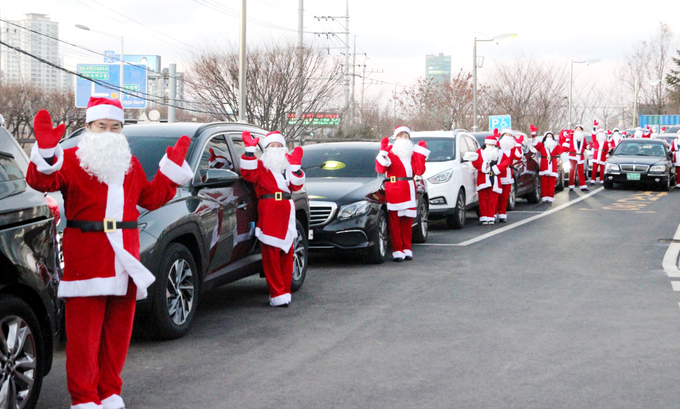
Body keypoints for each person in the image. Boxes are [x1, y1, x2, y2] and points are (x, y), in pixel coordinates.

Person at [26, 97, 193, 409]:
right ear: (89, 127)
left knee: (118, 333)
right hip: (88, 255)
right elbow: (42, 181)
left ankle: (110, 391)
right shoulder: (73, 158)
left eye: (115, 127)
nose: (109, 132)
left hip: (125, 257)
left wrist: (170, 173)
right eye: (102, 126)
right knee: (84, 336)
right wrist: (47, 154)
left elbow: (152, 197)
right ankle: (85, 397)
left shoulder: (128, 164)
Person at [239, 130, 304, 307]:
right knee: (271, 256)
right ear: (266, 149)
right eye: (271, 146)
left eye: (279, 146)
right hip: (269, 212)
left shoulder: (287, 167)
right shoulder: (260, 166)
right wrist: (249, 151)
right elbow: (247, 173)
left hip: (287, 212)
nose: (275, 149)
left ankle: (285, 291)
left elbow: (296, 186)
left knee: (287, 254)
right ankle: (277, 293)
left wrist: (296, 167)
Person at [376, 126, 429, 261]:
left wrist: (421, 155)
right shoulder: (390, 152)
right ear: (396, 138)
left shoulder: (412, 154)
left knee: (407, 221)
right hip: (394, 189)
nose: (403, 138)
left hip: (409, 189)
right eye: (401, 136)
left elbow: (419, 171)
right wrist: (382, 152)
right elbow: (381, 169)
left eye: (406, 136)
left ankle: (407, 248)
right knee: (395, 222)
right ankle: (397, 250)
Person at [463, 134, 507, 224]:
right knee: (483, 199)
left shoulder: (500, 153)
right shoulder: (479, 152)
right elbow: (474, 162)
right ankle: (484, 217)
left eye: (492, 145)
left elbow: (506, 162)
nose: (490, 147)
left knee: (493, 199)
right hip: (483, 179)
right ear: (486, 144)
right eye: (489, 145)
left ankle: (491, 216)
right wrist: (484, 167)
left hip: (494, 178)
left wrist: (497, 168)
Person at [531, 130, 567, 203]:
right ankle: (544, 197)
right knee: (544, 183)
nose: (549, 137)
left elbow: (564, 149)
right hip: (544, 165)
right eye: (548, 136)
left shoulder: (556, 146)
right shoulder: (541, 146)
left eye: (550, 136)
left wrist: (567, 140)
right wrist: (533, 135)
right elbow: (534, 144)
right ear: (545, 137)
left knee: (552, 183)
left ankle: (550, 197)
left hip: (552, 165)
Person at [495, 128, 522, 222]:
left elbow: (518, 156)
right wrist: (495, 139)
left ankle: (502, 213)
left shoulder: (513, 148)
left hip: (508, 175)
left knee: (505, 196)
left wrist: (518, 145)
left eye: (509, 135)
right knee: (496, 195)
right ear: (502, 136)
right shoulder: (497, 145)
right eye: (506, 135)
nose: (508, 137)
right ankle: (493, 213)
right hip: (497, 174)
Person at [564, 124, 589, 191]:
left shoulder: (583, 138)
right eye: (577, 128)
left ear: (582, 130)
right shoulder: (571, 137)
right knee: (572, 171)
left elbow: (585, 146)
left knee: (581, 172)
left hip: (580, 156)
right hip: (572, 155)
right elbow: (565, 141)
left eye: (579, 129)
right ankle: (571, 185)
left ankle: (583, 186)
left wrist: (588, 147)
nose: (578, 130)